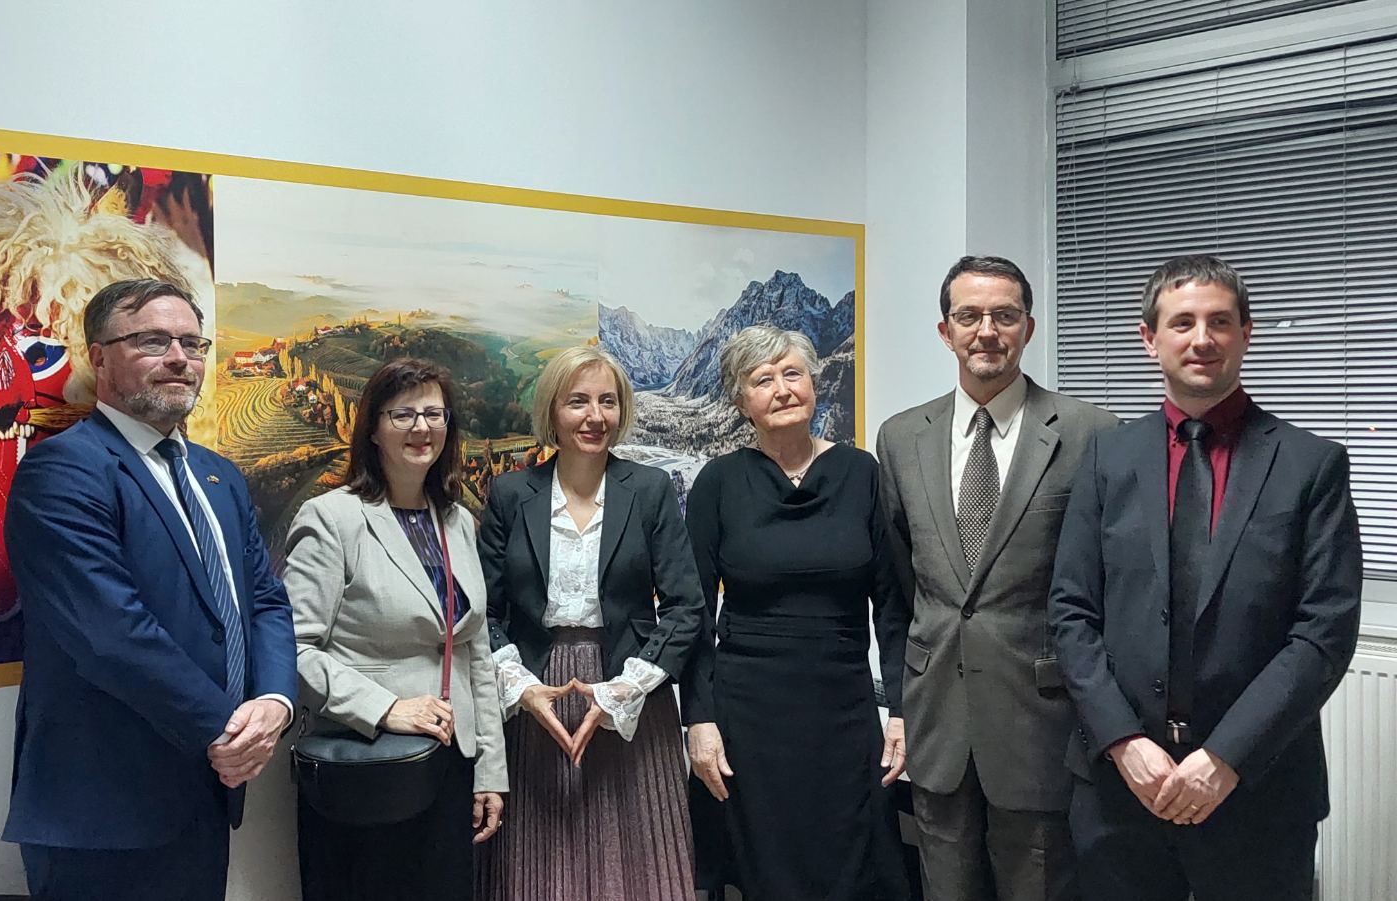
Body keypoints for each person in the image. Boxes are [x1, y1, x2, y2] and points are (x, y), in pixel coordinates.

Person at [1049, 254, 1362, 901]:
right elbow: (1072, 611)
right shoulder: (1107, 458)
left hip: (1259, 788)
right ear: (1149, 338)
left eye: (1220, 321)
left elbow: (1323, 633)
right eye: (1182, 322)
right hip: (1121, 790)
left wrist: (1225, 757)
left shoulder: (1312, 466)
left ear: (1246, 333)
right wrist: (1123, 741)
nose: (1202, 338)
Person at [3, 278, 297, 901]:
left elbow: (265, 600)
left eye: (193, 343)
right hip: (105, 808)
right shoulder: (63, 471)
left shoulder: (218, 475)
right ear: (99, 357)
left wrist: (275, 701)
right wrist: (226, 731)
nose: (179, 358)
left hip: (205, 792)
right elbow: (111, 634)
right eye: (153, 341)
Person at [875, 256, 1119, 901]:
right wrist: (900, 704)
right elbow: (900, 586)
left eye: (1004, 316)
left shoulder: (1091, 433)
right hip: (936, 723)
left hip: (1040, 722)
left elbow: (1108, 588)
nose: (987, 331)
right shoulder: (901, 438)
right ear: (945, 331)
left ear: (1028, 328)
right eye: (969, 316)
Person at [684, 324, 911, 901]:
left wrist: (903, 711)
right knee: (765, 870)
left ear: (815, 384)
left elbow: (892, 605)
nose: (783, 389)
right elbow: (694, 611)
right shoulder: (718, 482)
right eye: (763, 379)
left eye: (793, 373)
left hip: (844, 709)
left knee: (854, 865)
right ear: (742, 402)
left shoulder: (862, 473)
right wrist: (699, 722)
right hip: (748, 715)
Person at [474, 345, 704, 901]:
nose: (594, 416)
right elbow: (483, 612)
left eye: (608, 401)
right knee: (542, 867)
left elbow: (685, 606)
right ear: (552, 411)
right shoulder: (510, 493)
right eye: (578, 401)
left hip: (630, 695)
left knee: (638, 869)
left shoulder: (649, 490)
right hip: (535, 697)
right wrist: (522, 689)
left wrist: (624, 691)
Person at [285, 357, 506, 901]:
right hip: (367, 766)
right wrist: (385, 707)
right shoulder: (331, 518)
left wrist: (489, 771)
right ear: (373, 429)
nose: (421, 427)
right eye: (403, 414)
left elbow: (474, 651)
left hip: (450, 767)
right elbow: (292, 648)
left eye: (434, 414)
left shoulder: (457, 521)